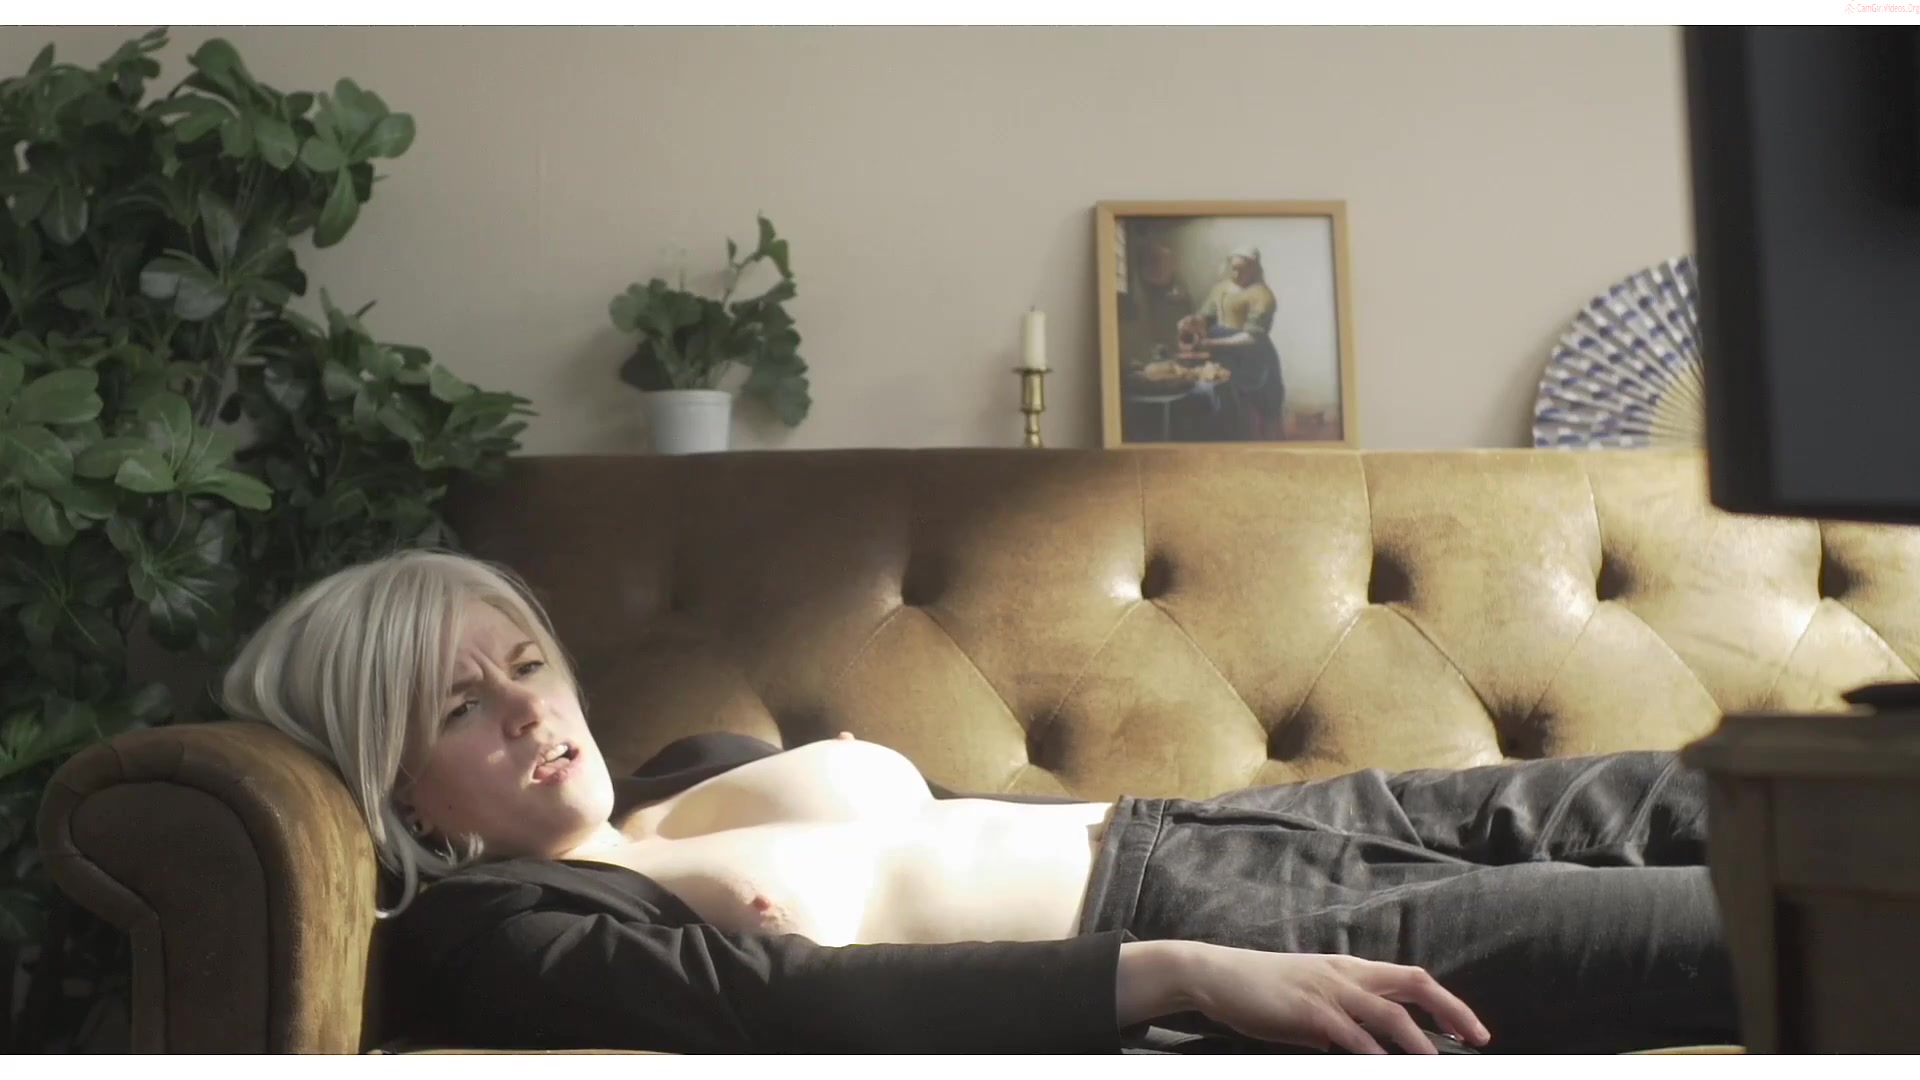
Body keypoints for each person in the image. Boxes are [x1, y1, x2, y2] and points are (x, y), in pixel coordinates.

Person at [220, 550, 1736, 1055]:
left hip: (1234, 823)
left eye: (527, 665)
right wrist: (1180, 971)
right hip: (1217, 928)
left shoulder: (686, 773)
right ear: (397, 787)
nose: (528, 712)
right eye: (459, 710)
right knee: (1748, 929)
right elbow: (794, 1007)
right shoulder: (503, 926)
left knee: (1741, 791)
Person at [1180, 247, 1287, 439]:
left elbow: (1252, 337)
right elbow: (1206, 317)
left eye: (1242, 269)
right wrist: (1192, 322)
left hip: (1253, 358)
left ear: (1254, 268)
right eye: (1234, 268)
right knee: (1227, 406)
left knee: (1263, 410)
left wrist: (1212, 342)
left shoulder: (1262, 295)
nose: (1236, 273)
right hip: (1224, 356)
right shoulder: (1220, 288)